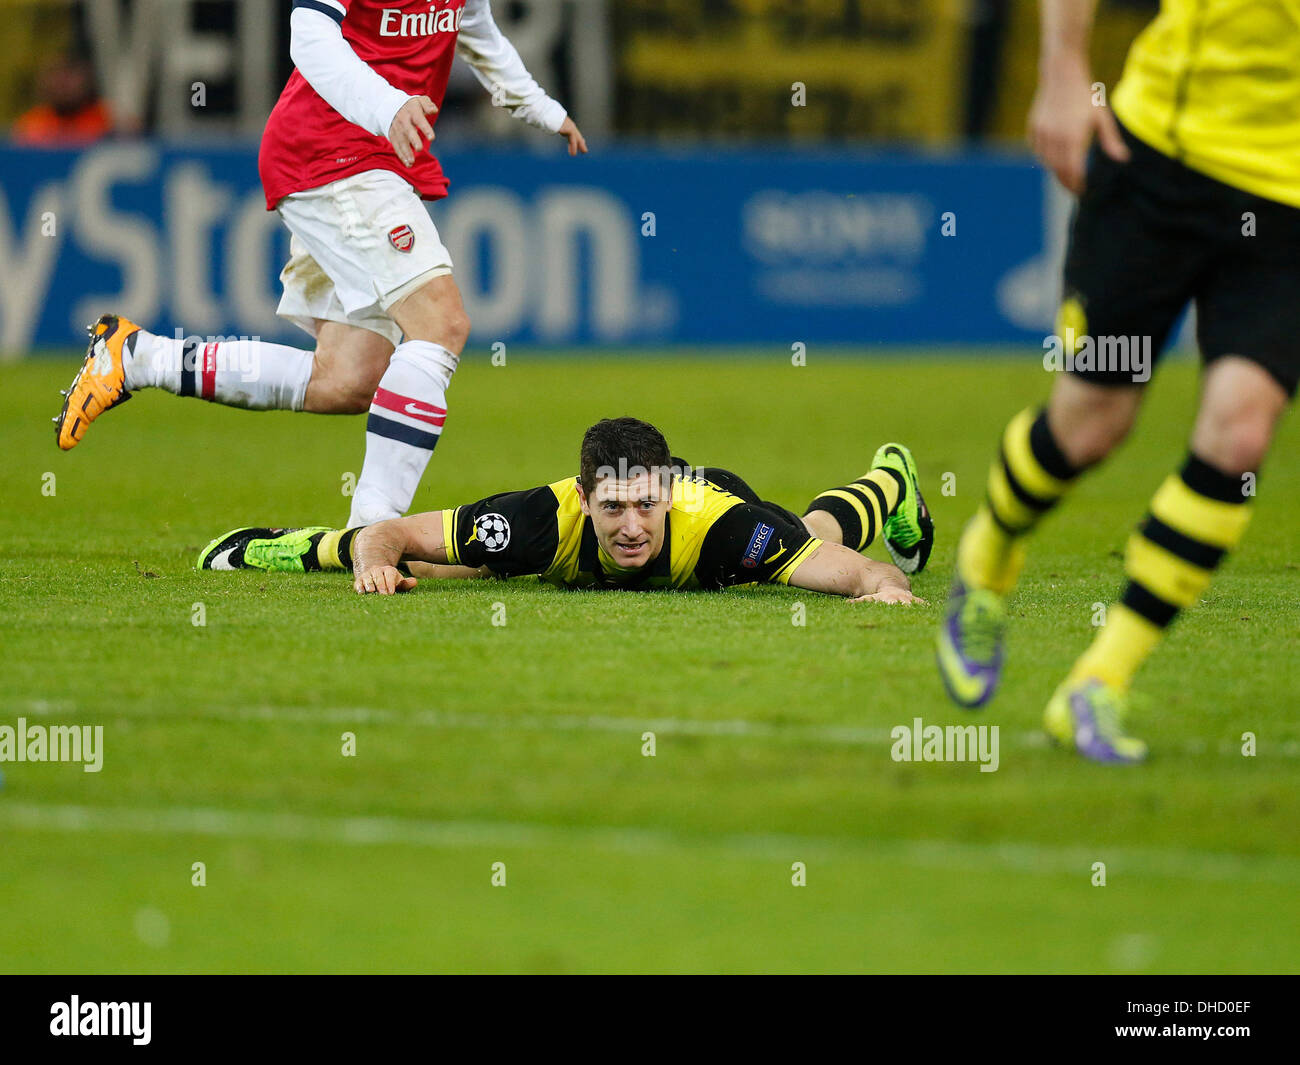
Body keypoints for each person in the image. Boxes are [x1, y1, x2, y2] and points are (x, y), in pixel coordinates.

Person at [54, 0, 587, 530]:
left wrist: (543, 109)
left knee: (347, 380)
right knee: (440, 323)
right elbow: (309, 35)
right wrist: (388, 107)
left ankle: (141, 357)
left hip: (374, 162)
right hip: (332, 154)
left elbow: (479, 34)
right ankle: (372, 531)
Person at [936, 0, 1300, 763]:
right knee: (1091, 424)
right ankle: (992, 548)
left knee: (1241, 432)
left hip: (1287, 206)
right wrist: (1064, 70)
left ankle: (1098, 680)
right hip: (1163, 166)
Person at [198, 417, 935, 604]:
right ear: (584, 496)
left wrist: (886, 589)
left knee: (806, 539)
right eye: (613, 506)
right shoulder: (542, 517)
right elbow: (390, 533)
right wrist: (369, 564)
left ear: (667, 491)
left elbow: (863, 576)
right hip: (551, 543)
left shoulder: (718, 523)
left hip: (724, 517)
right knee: (436, 564)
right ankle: (284, 546)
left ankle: (889, 479)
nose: (632, 526)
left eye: (647, 505)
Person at [11, 52, 113, 146]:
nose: (62, 84)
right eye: (56, 76)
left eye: (70, 76)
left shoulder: (106, 120)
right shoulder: (32, 124)